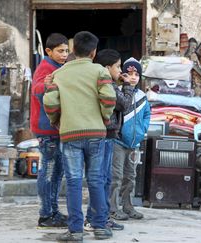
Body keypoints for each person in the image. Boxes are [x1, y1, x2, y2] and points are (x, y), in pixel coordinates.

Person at [43, 31, 117, 241]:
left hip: (69, 134)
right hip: (95, 133)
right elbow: (109, 98)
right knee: (96, 179)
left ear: (73, 50)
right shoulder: (99, 72)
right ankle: (100, 227)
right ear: (94, 52)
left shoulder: (61, 73)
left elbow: (50, 102)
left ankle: (75, 231)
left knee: (74, 181)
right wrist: (104, 118)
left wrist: (56, 121)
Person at [84, 49, 134, 232]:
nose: (121, 71)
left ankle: (98, 217)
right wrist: (127, 85)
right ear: (107, 68)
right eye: (118, 67)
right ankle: (97, 218)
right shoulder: (108, 85)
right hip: (104, 135)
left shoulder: (102, 82)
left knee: (103, 179)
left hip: (105, 135)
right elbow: (124, 104)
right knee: (102, 179)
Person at [30, 33, 69, 228]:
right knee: (49, 172)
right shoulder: (46, 67)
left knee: (56, 172)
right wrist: (44, 86)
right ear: (48, 51)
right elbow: (36, 88)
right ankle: (45, 215)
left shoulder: (59, 67)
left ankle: (53, 211)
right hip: (47, 130)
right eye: (60, 51)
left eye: (66, 51)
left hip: (56, 130)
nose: (64, 54)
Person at [109, 57, 151, 220]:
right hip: (118, 142)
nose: (133, 77)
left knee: (131, 176)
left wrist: (143, 130)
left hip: (135, 143)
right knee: (116, 176)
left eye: (136, 74)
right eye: (129, 73)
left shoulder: (142, 96)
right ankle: (113, 207)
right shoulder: (118, 92)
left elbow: (147, 114)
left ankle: (128, 206)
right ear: (122, 75)